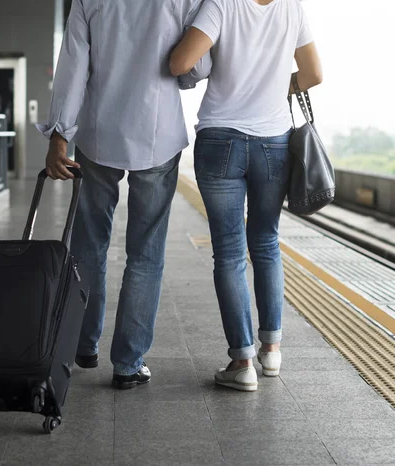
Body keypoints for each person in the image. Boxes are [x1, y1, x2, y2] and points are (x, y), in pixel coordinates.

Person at [37, 0, 211, 389]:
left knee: (89, 244)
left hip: (99, 134)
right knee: (146, 253)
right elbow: (196, 64)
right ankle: (128, 363)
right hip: (158, 135)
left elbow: (72, 67)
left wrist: (59, 136)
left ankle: (83, 343)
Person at [170, 0, 323, 391]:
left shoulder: (222, 4)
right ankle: (271, 350)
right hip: (274, 143)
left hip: (221, 139)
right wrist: (274, 85)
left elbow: (180, 63)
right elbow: (313, 74)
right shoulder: (292, 8)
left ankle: (242, 362)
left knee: (230, 251)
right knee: (267, 243)